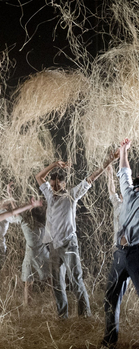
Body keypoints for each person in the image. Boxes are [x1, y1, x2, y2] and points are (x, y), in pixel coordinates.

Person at [36, 154, 117, 318]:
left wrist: (107, 163)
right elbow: (38, 176)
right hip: (53, 245)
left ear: (64, 184)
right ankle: (62, 316)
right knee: (57, 284)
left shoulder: (71, 195)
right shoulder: (49, 196)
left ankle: (85, 315)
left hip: (68, 244)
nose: (54, 188)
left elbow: (90, 179)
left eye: (58, 184)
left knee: (76, 280)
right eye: (52, 185)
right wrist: (55, 164)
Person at [103, 138, 139, 348]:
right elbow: (124, 173)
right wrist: (123, 151)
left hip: (136, 254)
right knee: (110, 296)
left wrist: (124, 152)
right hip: (120, 253)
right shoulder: (127, 195)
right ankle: (109, 341)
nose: (132, 185)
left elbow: (125, 173)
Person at [11, 192, 50, 306]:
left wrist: (29, 204)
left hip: (35, 254)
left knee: (30, 282)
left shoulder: (26, 221)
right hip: (40, 253)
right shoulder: (42, 221)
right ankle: (52, 303)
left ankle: (28, 305)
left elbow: (16, 211)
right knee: (47, 280)